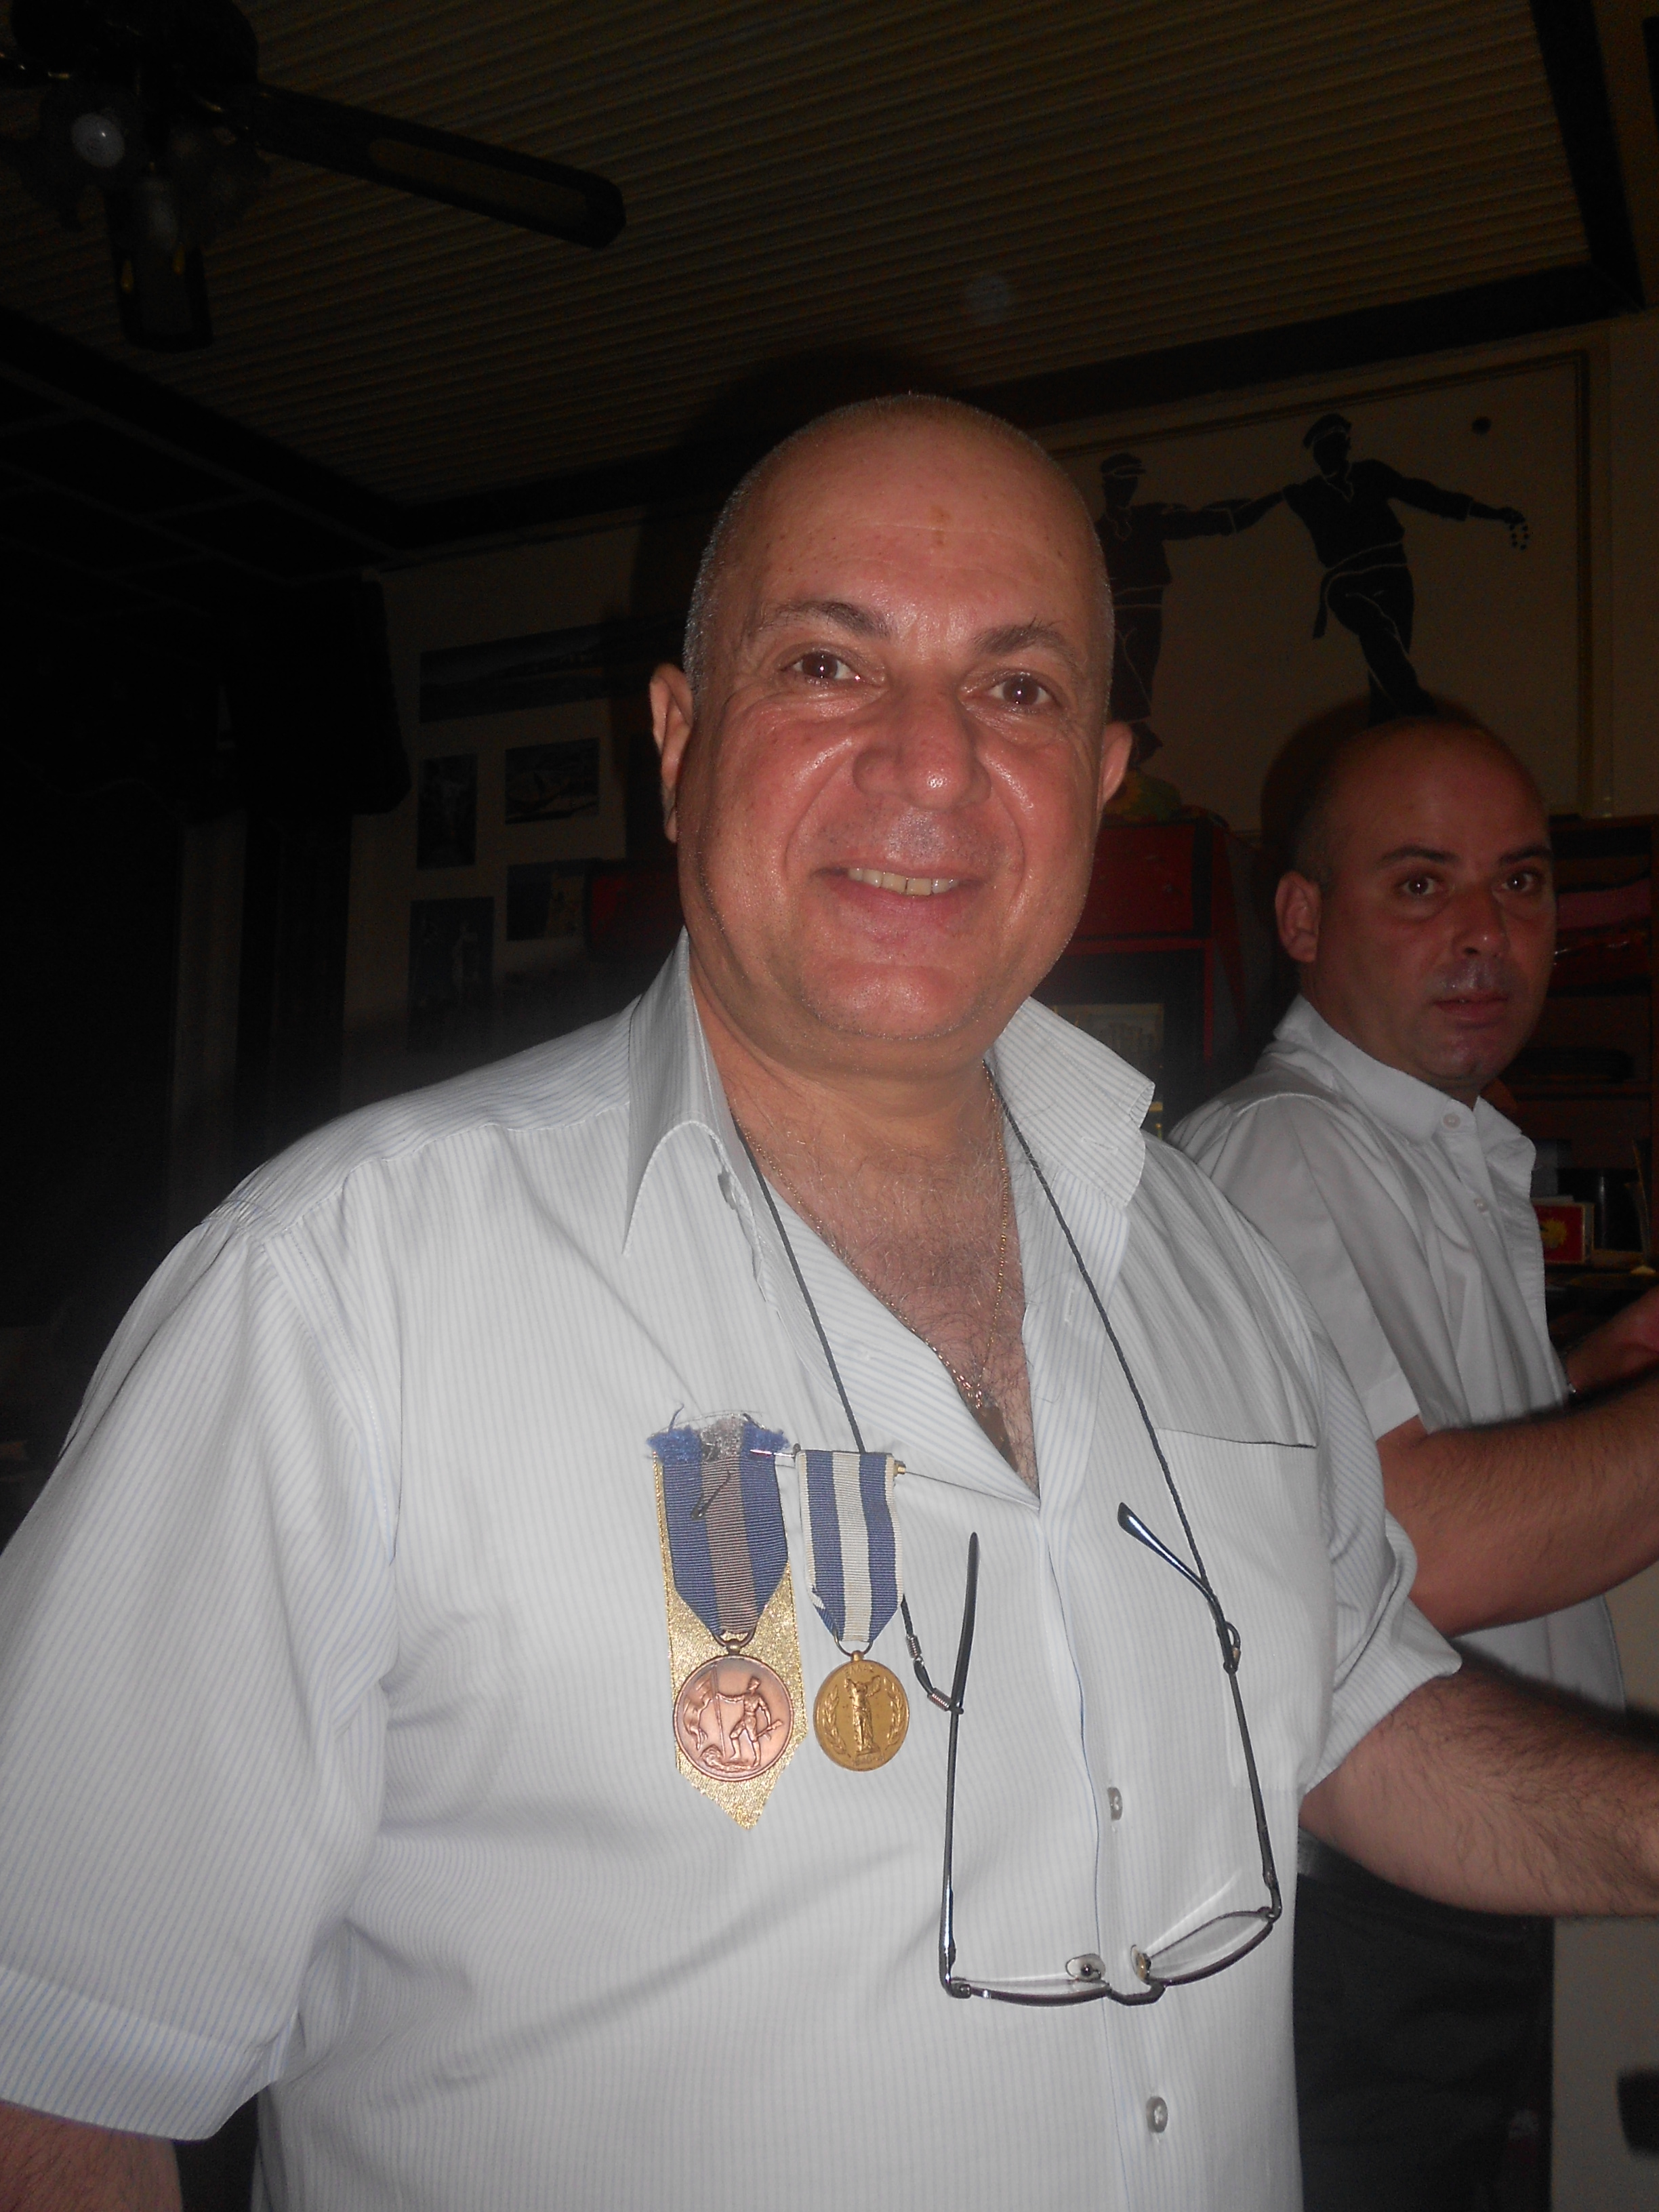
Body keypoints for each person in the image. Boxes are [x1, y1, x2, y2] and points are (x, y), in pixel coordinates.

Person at [3, 404, 1659, 2212]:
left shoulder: (1205, 1256)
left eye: (1016, 689)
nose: (930, 763)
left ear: (1102, 777)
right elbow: (49, 2072)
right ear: (676, 741)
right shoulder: (340, 1295)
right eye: (825, 664)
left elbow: (1345, 1700)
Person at [1174, 716, 1659, 2209]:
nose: (1484, 933)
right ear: (1301, 917)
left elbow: (1383, 1458)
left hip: (1459, 1861)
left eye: (1519, 882)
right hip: (1367, 1901)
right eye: (1419, 883)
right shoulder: (1284, 1150)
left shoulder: (1431, 1143)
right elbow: (1409, 1544)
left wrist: (1576, 1395)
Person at [1280, 414, 1529, 722]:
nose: (1334, 452)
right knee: (1377, 630)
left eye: (1338, 444)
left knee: (1388, 662)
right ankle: (1419, 710)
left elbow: (1424, 495)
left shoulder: (1370, 473)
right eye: (1326, 447)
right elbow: (1249, 508)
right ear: (1318, 454)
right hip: (1346, 583)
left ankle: (1386, 722)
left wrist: (1490, 513)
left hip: (1392, 575)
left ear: (1345, 446)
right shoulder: (1308, 493)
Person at [1094, 449, 1280, 762]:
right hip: (1114, 613)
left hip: (1147, 609)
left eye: (1130, 482)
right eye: (1120, 483)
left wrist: (1265, 502)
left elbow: (1205, 520)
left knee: (1140, 668)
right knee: (1122, 672)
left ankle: (1136, 736)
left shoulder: (1149, 518)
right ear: (1108, 486)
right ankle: (1133, 736)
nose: (1126, 489)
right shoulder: (1095, 532)